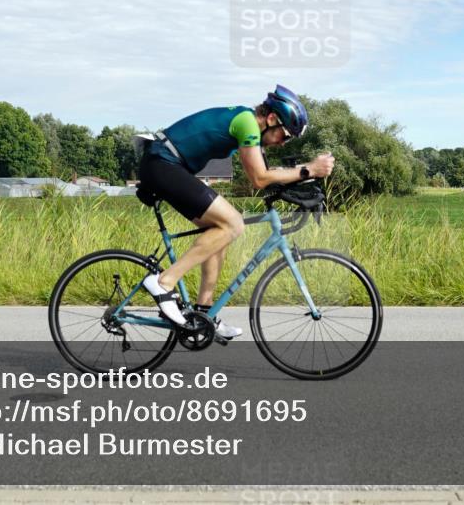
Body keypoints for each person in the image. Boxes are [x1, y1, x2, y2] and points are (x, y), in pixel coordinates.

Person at [137, 85, 334, 339]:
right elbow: (260, 179)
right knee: (234, 223)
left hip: (168, 165)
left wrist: (304, 176)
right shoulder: (247, 123)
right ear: (271, 118)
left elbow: (269, 174)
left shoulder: (250, 128)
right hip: (163, 163)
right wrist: (309, 169)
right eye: (285, 135)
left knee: (220, 231)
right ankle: (163, 282)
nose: (282, 143)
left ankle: (203, 314)